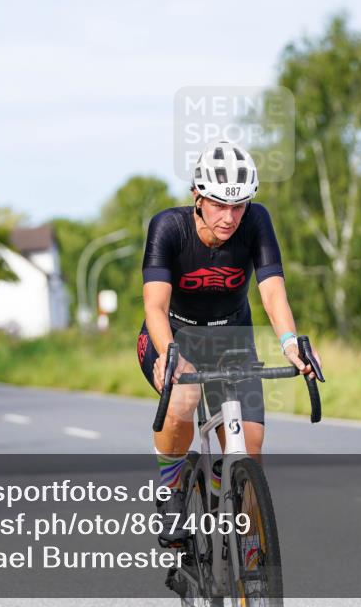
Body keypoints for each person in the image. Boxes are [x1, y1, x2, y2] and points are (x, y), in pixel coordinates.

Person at [137, 140, 321, 548]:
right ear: (197, 197)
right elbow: (155, 305)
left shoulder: (257, 221)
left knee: (249, 449)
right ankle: (170, 492)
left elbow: (272, 291)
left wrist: (290, 342)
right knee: (184, 398)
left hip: (231, 337)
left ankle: (243, 540)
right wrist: (170, 354)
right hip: (175, 335)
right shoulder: (169, 227)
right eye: (220, 204)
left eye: (239, 206)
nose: (230, 217)